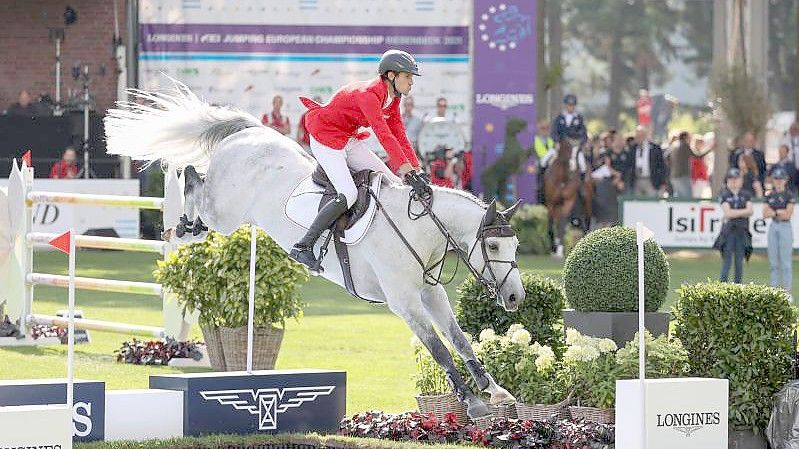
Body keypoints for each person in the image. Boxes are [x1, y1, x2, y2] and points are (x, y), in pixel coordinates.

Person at [290, 49, 422, 272]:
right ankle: (303, 246)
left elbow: (398, 133)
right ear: (391, 75)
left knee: (393, 182)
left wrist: (415, 168)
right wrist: (406, 169)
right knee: (349, 193)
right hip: (325, 137)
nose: (411, 82)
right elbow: (383, 134)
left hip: (347, 138)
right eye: (408, 76)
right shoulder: (369, 94)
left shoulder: (392, 99)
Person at [715, 168, 753, 284]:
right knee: (726, 262)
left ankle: (738, 288)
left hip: (742, 232)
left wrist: (734, 213)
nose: (734, 182)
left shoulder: (746, 194)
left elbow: (750, 211)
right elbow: (728, 213)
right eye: (731, 179)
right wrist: (742, 212)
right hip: (729, 232)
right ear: (727, 181)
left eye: (736, 179)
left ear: (740, 181)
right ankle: (722, 288)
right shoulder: (724, 195)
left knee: (739, 263)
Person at [763, 167, 794, 293]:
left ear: (785, 180)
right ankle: (774, 292)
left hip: (785, 226)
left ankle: (787, 292)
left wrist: (773, 211)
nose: (778, 181)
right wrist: (778, 211)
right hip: (774, 226)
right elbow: (765, 213)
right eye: (776, 178)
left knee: (786, 262)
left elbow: (787, 214)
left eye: (781, 178)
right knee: (774, 263)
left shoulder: (789, 195)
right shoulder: (769, 195)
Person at [631, 126, 667, 197]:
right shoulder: (633, 148)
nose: (639, 138)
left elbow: (662, 166)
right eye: (637, 136)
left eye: (641, 135)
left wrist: (663, 183)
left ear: (645, 136)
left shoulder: (655, 148)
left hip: (651, 180)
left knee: (651, 202)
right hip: (637, 180)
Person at [669, 131, 692, 198]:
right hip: (683, 175)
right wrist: (710, 149)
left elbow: (666, 157)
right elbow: (697, 156)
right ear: (685, 137)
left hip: (674, 175)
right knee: (687, 197)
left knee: (678, 197)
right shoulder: (684, 145)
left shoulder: (673, 145)